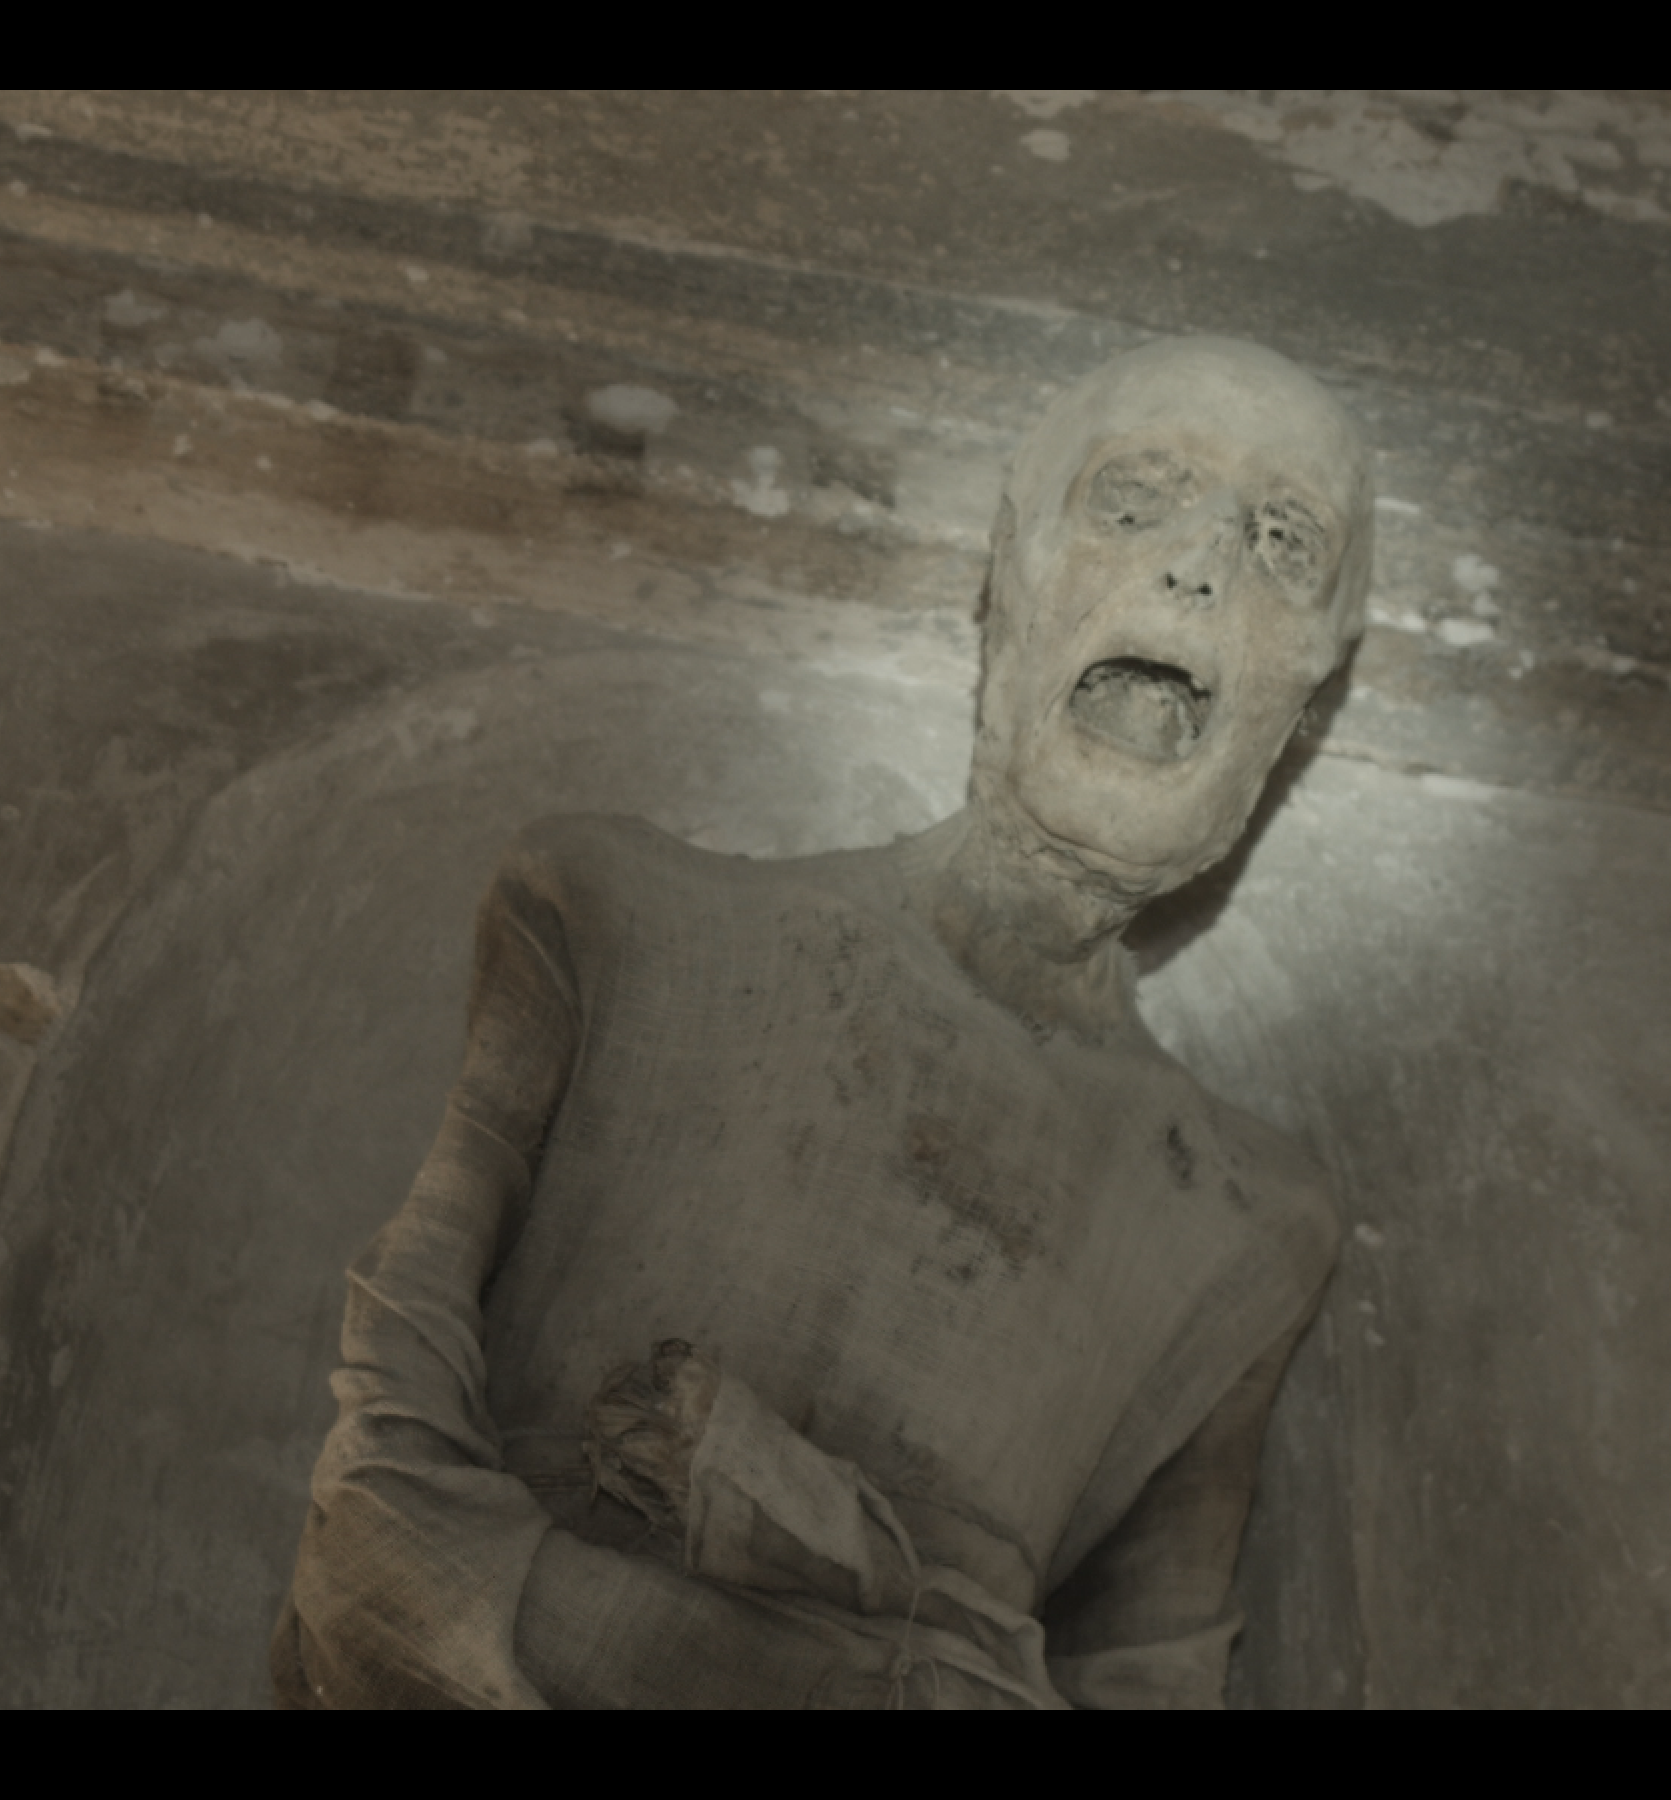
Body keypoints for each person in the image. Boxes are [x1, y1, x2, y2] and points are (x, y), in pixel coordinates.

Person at [275, 336, 1370, 1708]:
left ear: (1306, 692)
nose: (1199, 566)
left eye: (1281, 543)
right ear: (1012, 567)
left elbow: (1151, 1675)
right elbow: (388, 1480)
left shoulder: (1248, 1227)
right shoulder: (612, 920)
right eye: (1138, 500)